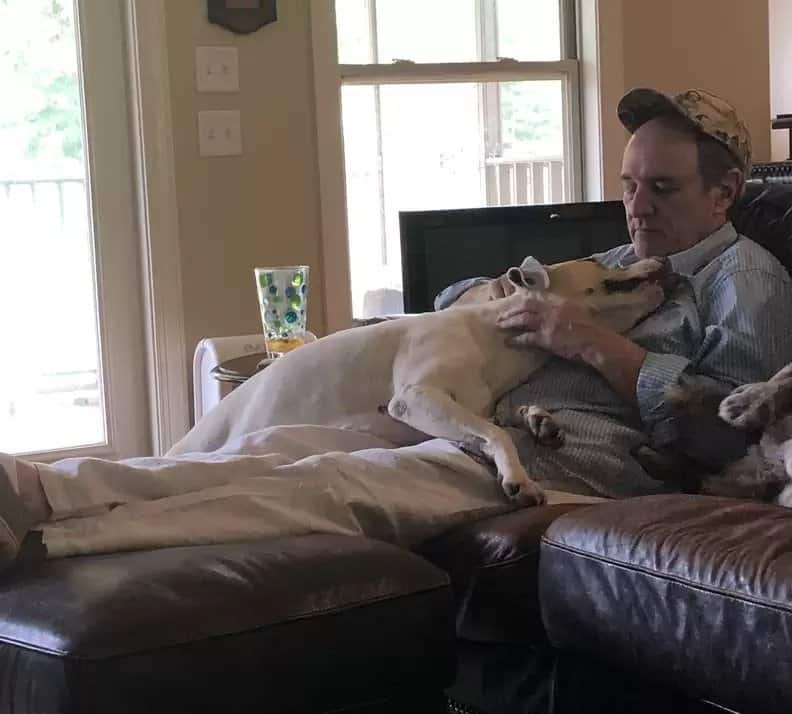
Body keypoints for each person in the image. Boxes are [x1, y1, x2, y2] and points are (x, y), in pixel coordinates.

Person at [1, 88, 791, 571]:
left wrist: (589, 342)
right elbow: (462, 299)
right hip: (481, 418)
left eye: (661, 188)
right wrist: (492, 297)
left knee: (332, 486)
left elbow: (725, 438)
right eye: (626, 185)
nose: (636, 206)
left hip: (582, 459)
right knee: (275, 447)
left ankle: (61, 547)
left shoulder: (744, 279)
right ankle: (43, 490)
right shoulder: (623, 255)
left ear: (725, 193)